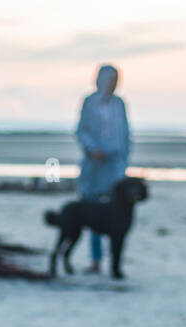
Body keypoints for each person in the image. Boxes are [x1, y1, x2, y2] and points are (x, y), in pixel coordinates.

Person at [75, 64, 131, 273]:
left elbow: (125, 133)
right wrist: (92, 148)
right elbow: (81, 130)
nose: (113, 83)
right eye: (110, 79)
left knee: (116, 212)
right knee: (93, 209)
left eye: (116, 79)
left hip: (115, 164)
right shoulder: (90, 102)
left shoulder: (119, 104)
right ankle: (96, 260)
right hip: (94, 164)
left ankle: (115, 262)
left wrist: (124, 160)